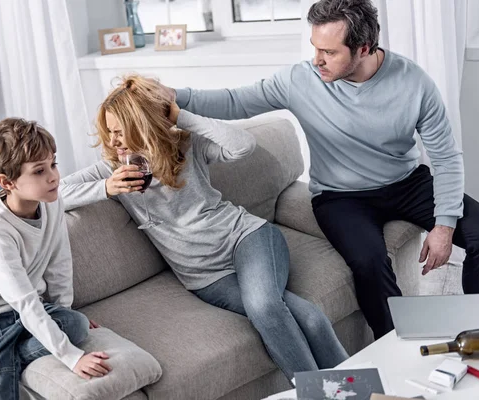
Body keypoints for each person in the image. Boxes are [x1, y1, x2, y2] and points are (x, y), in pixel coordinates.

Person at [158, 0, 479, 340]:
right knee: (370, 262)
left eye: (329, 52)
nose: (317, 60)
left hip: (406, 183)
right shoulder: (300, 79)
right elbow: (235, 100)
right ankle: (396, 344)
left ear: (363, 48)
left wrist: (444, 225)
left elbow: (447, 157)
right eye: (315, 48)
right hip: (341, 198)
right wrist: (175, 95)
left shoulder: (414, 83)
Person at [59, 75, 348, 381]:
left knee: (265, 307)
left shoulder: (187, 145)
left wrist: (180, 116)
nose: (112, 141)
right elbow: (55, 195)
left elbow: (243, 146)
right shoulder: (112, 170)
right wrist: (107, 187)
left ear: (142, 126)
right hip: (205, 277)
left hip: (246, 238)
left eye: (120, 132)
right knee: (305, 316)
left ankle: (348, 392)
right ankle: (332, 391)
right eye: (109, 132)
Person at [0, 118, 111, 399]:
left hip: (29, 310)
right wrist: (72, 358)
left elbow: (60, 264)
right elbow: (23, 301)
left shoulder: (52, 202)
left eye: (53, 164)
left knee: (77, 325)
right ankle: (0, 361)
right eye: (39, 171)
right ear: (7, 182)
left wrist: (66, 312)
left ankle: (8, 360)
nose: (53, 176)